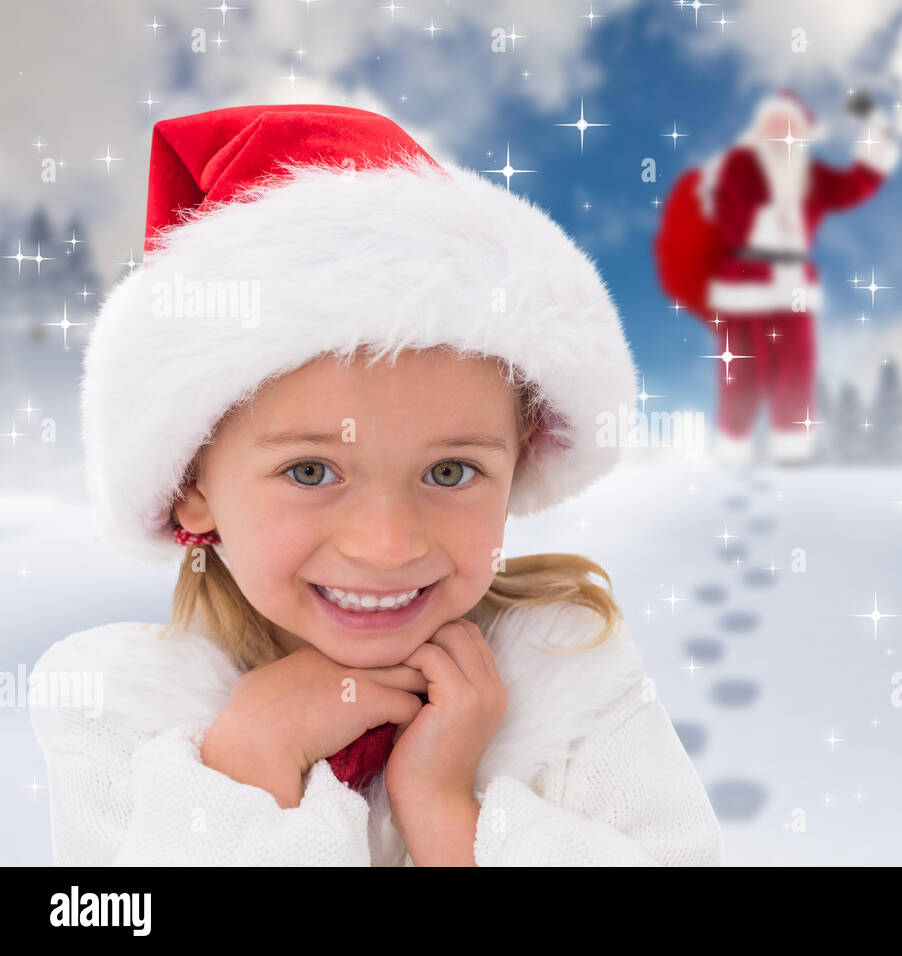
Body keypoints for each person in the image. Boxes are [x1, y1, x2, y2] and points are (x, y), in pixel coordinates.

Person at [28, 104, 722, 866]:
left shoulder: (568, 678)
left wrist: (446, 813)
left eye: (450, 472)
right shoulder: (120, 716)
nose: (388, 545)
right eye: (311, 471)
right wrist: (247, 773)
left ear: (518, 460)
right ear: (190, 482)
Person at [700, 88, 899, 467]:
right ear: (760, 127)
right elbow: (729, 219)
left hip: (793, 287)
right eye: (773, 123)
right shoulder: (738, 164)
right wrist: (775, 222)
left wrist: (876, 129)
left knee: (795, 370)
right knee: (741, 371)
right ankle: (732, 456)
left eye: (789, 124)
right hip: (744, 282)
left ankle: (792, 457)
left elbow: (856, 186)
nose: (781, 131)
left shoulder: (810, 175)